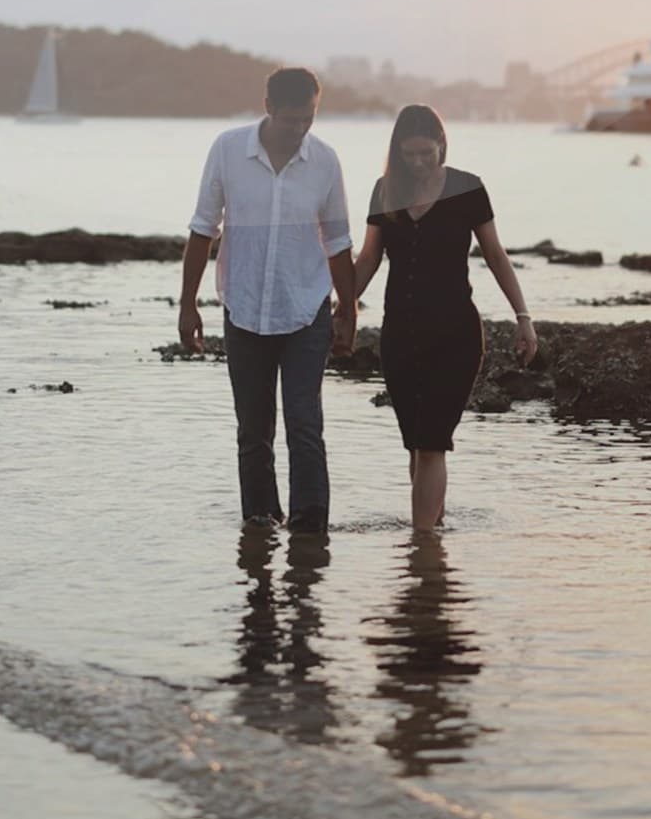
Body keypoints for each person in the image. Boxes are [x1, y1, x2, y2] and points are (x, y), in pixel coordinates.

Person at [180, 66, 355, 534]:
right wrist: (187, 304)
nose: (300, 129)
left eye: (309, 118)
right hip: (244, 308)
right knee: (253, 431)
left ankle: (310, 533)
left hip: (307, 310)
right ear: (269, 107)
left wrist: (348, 310)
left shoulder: (325, 161)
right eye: (292, 119)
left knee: (305, 425)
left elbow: (338, 241)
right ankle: (259, 529)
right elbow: (202, 229)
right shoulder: (227, 150)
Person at [353, 104, 536, 531]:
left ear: (441, 144)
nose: (418, 163)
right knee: (417, 445)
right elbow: (368, 259)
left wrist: (523, 317)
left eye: (426, 153)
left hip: (455, 336)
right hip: (400, 335)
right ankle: (432, 539)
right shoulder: (385, 191)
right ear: (397, 151)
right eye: (409, 155)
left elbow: (495, 255)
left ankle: (421, 546)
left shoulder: (467, 188)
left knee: (433, 443)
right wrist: (340, 310)